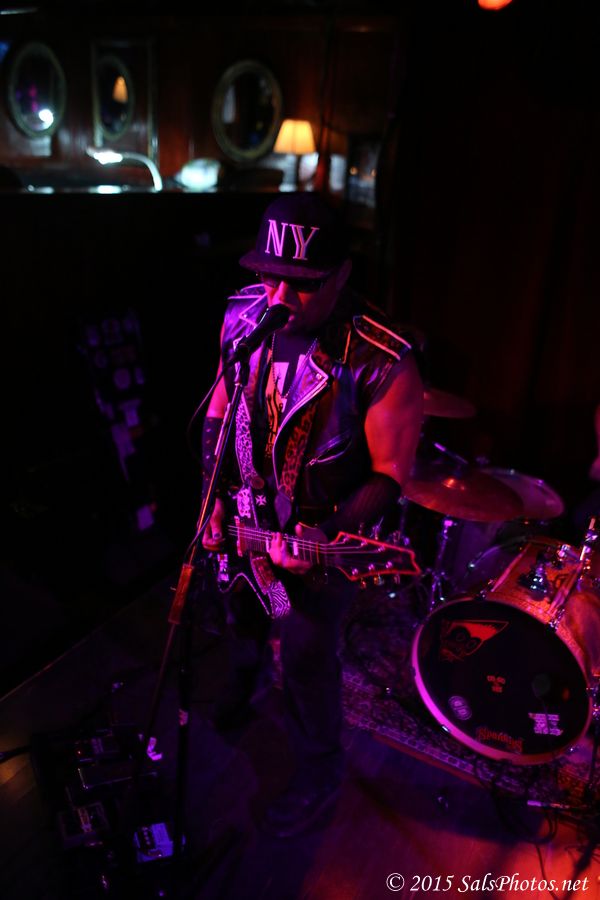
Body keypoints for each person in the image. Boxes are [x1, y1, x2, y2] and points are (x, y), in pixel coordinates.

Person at [200, 192, 423, 837]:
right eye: (268, 275)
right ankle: (244, 684)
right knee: (240, 614)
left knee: (304, 655)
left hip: (322, 534)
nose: (278, 296)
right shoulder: (244, 316)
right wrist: (212, 497)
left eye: (301, 283)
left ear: (342, 274)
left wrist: (324, 534)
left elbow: (390, 474)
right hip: (245, 518)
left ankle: (320, 771)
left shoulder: (383, 359)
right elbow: (218, 410)